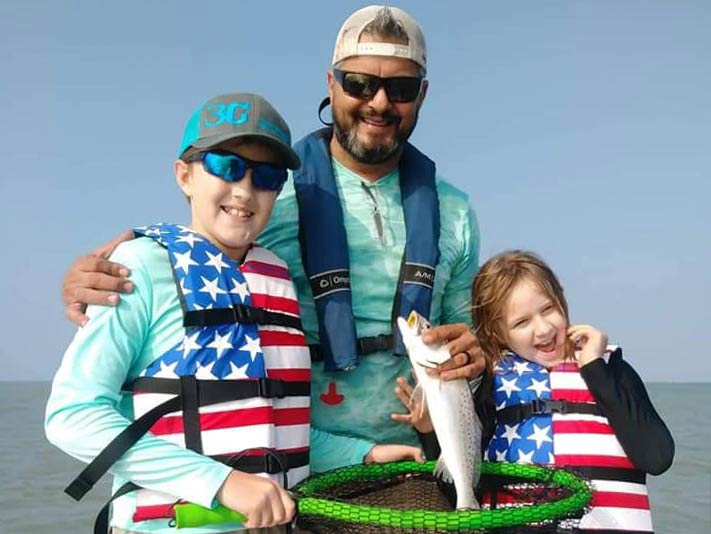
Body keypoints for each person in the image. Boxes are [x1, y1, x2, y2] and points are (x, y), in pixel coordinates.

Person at [59, 5, 485, 473]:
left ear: (422, 95)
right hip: (292, 471)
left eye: (400, 89)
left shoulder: (457, 212)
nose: (379, 102)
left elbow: (467, 338)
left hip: (413, 464)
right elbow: (191, 270)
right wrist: (113, 269)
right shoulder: (270, 193)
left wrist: (473, 355)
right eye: (359, 83)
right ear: (331, 84)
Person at [47, 92, 314, 534]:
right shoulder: (140, 267)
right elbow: (71, 416)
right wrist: (221, 483)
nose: (244, 189)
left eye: (266, 175)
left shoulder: (278, 277)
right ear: (184, 175)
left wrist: (359, 452)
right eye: (225, 166)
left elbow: (273, 421)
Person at [470, 250, 674, 533]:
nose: (543, 329)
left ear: (561, 298)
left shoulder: (611, 369)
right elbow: (459, 470)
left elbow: (657, 457)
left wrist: (594, 368)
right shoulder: (490, 384)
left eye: (548, 309)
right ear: (496, 333)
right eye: (521, 322)